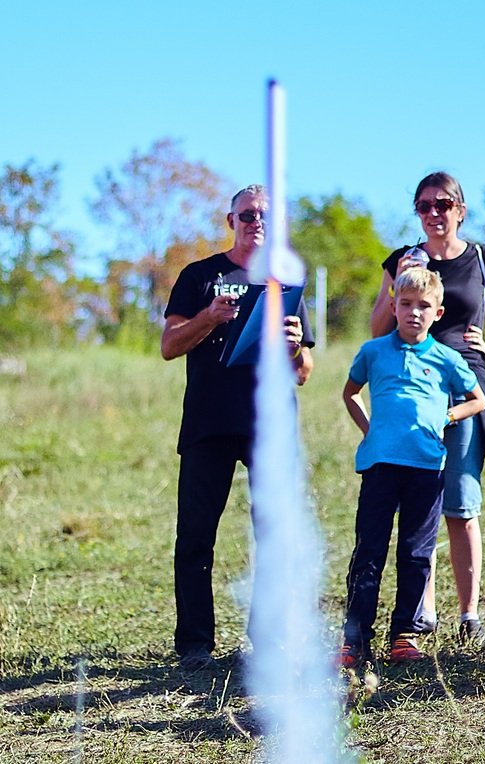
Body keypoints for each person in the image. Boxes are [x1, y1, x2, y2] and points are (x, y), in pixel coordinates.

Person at [369, 172, 485, 642]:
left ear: (460, 210)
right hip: (412, 392)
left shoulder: (481, 259)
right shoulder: (403, 262)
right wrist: (398, 278)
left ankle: (469, 615)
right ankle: (419, 613)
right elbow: (375, 328)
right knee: (418, 499)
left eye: (442, 204)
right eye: (423, 206)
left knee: (461, 504)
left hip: (463, 390)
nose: (433, 213)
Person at [161, 185, 315, 670]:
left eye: (265, 215)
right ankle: (194, 644)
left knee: (272, 531)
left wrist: (293, 345)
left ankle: (267, 637)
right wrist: (209, 316)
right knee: (195, 536)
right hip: (209, 421)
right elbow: (168, 345)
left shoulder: (283, 282)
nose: (256, 222)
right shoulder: (200, 276)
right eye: (246, 214)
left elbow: (304, 372)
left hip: (269, 424)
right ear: (231, 221)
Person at [341, 268, 485, 667]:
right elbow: (350, 393)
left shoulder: (446, 358)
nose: (414, 313)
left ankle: (404, 634)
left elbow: (478, 401)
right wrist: (371, 431)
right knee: (369, 550)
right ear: (393, 307)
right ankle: (354, 639)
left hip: (426, 467)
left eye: (424, 306)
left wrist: (448, 416)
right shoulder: (373, 352)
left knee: (416, 553)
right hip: (379, 465)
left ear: (438, 312)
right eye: (406, 305)